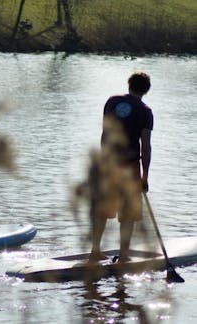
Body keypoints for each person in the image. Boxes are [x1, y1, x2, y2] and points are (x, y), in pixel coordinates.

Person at [89, 72, 153, 263]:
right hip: (130, 166)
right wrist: (145, 176)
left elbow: (105, 133)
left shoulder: (111, 101)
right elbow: (146, 145)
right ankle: (124, 255)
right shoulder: (145, 111)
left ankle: (95, 251)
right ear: (146, 90)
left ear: (129, 85)